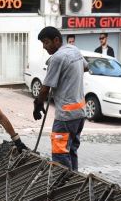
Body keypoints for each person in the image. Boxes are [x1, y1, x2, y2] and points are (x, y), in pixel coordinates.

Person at [33, 27, 88, 171]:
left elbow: (45, 88)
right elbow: (85, 67)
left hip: (65, 117)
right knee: (71, 151)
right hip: (79, 114)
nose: (44, 47)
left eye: (46, 42)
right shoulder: (74, 50)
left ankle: (64, 187)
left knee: (60, 155)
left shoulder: (56, 58)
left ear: (56, 40)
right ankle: (75, 183)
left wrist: (38, 104)